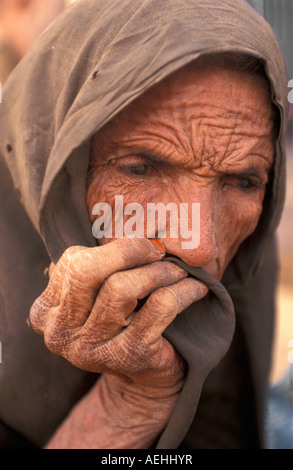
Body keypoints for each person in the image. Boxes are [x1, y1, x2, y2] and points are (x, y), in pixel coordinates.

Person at [0, 0, 289, 449]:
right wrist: (121, 412)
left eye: (241, 181)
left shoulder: (246, 253)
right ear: (54, 162)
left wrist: (147, 395)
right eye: (139, 169)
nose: (198, 246)